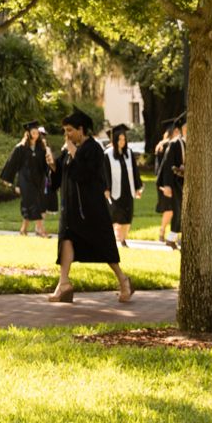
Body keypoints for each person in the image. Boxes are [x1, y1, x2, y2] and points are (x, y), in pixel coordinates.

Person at [47, 108, 133, 304]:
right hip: (71, 209)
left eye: (69, 130)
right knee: (66, 241)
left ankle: (123, 280)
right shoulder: (68, 150)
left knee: (104, 247)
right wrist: (53, 166)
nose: (66, 135)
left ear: (81, 129)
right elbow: (59, 178)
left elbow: (85, 175)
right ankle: (64, 284)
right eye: (65, 131)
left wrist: (74, 153)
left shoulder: (93, 149)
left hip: (91, 210)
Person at [1, 121, 53, 237]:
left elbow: (45, 165)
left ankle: (23, 229)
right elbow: (12, 164)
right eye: (33, 132)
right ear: (28, 133)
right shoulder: (21, 148)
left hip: (38, 180)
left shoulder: (41, 148)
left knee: (30, 204)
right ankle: (41, 230)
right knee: (35, 203)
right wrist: (9, 180)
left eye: (37, 132)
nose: (35, 134)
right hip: (25, 180)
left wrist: (49, 176)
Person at [108, 124, 141, 245]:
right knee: (116, 216)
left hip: (128, 189)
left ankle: (122, 237)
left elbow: (135, 171)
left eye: (124, 139)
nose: (122, 141)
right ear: (115, 140)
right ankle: (120, 240)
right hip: (115, 190)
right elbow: (105, 173)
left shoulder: (129, 153)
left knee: (128, 216)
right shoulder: (108, 154)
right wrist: (106, 188)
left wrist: (138, 187)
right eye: (120, 139)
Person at [154, 116, 185, 244]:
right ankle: (170, 237)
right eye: (185, 126)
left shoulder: (191, 143)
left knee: (182, 211)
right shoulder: (174, 144)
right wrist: (166, 185)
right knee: (176, 210)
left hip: (186, 183)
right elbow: (167, 165)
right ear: (180, 129)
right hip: (175, 183)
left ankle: (176, 238)